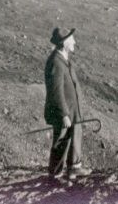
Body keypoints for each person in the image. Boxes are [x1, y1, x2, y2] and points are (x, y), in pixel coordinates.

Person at [43, 27, 88, 180]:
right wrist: (63, 114)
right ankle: (55, 174)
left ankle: (74, 167)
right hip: (64, 112)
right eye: (71, 39)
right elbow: (56, 92)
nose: (74, 41)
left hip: (72, 111)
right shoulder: (56, 62)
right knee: (61, 141)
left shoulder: (64, 59)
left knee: (74, 136)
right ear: (63, 43)